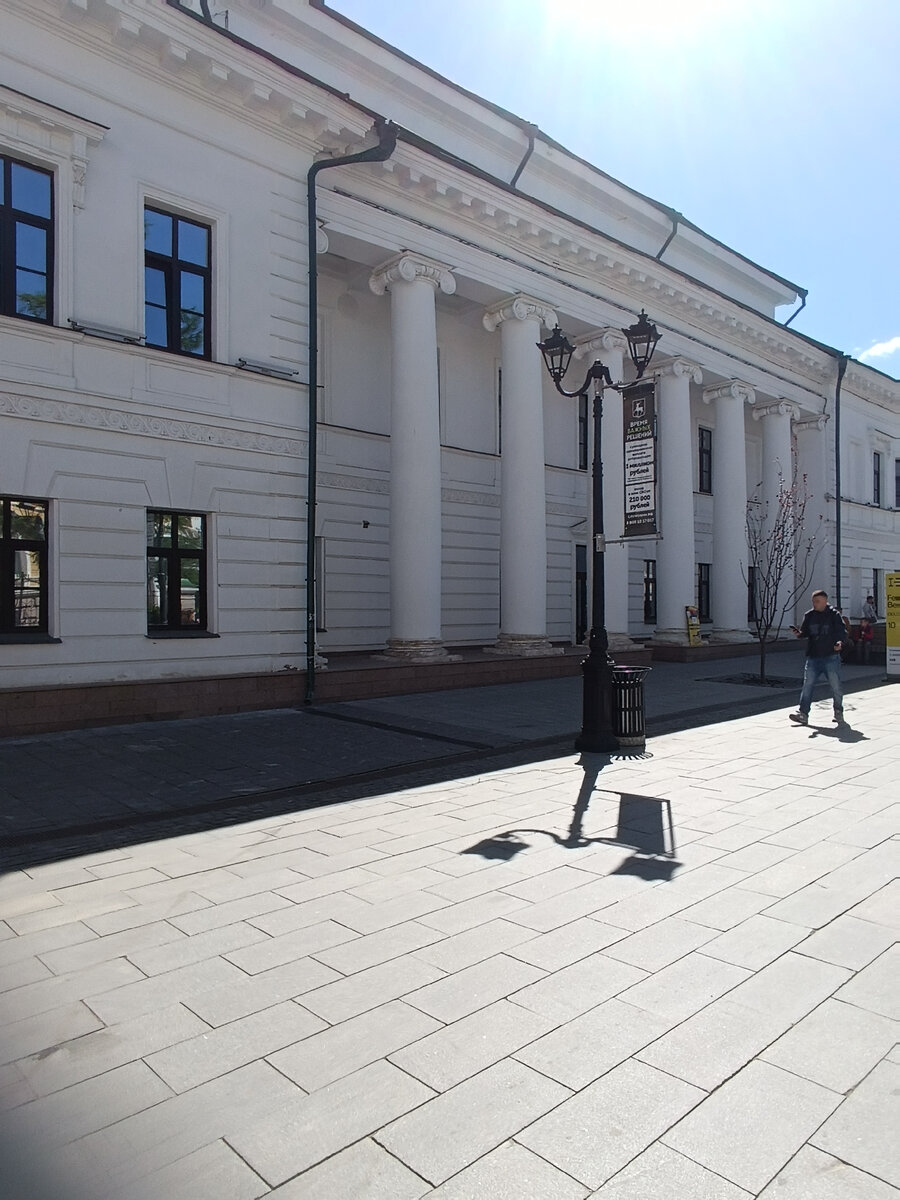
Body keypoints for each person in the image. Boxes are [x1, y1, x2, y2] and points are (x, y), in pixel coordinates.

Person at [788, 589, 845, 725]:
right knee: (807, 685)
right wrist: (799, 633)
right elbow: (805, 633)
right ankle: (803, 714)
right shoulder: (809, 615)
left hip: (830, 657)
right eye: (813, 601)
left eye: (818, 601)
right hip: (813, 657)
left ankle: (838, 711)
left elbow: (841, 632)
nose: (815, 604)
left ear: (825, 601)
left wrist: (839, 643)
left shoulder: (834, 615)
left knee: (835, 686)